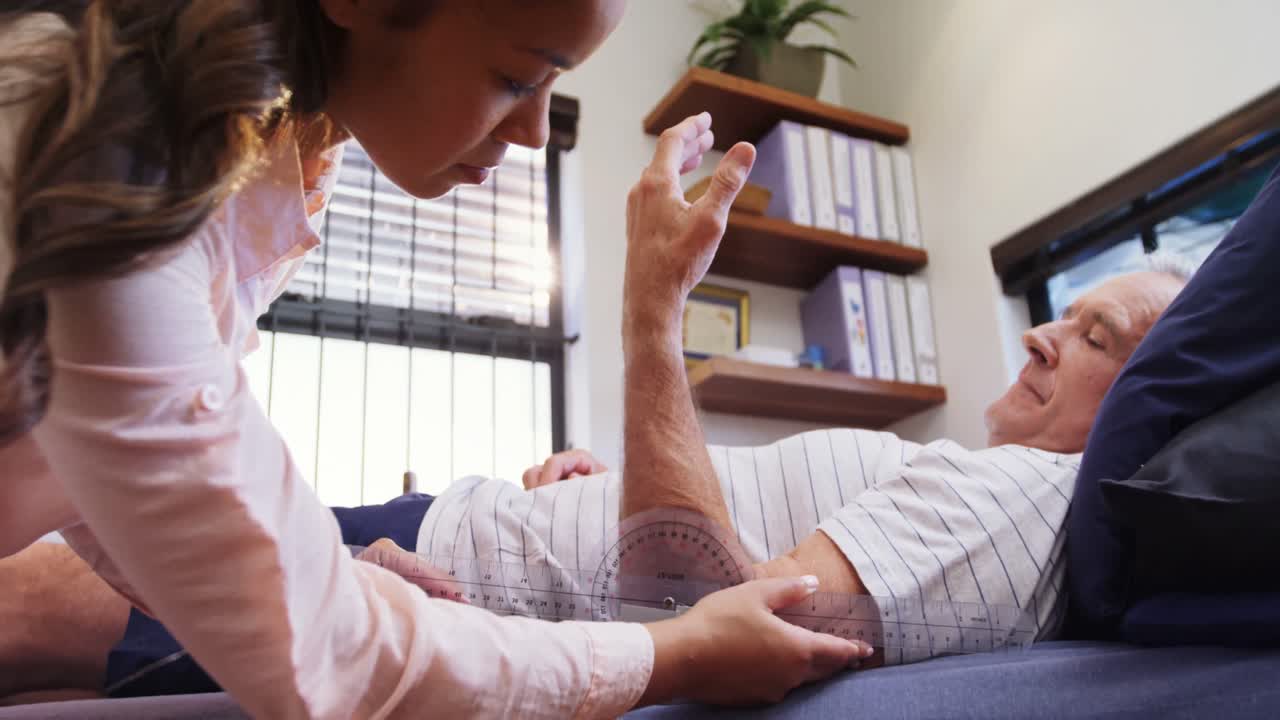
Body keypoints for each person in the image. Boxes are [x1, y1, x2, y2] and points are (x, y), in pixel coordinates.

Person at [0, 2, 869, 717]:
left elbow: (131, 451)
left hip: (415, 553)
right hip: (434, 544)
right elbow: (334, 647)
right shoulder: (109, 184)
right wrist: (677, 651)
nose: (535, 131)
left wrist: (325, 565)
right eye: (518, 77)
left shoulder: (272, 153)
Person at [2, 264, 1189, 699]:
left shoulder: (1022, 499)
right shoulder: (975, 473)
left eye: (1095, 339)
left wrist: (650, 321)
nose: (1042, 339)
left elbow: (707, 617)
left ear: (1152, 397)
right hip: (468, 527)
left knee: (27, 608)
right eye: (1059, 315)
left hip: (447, 572)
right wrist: (601, 482)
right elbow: (685, 553)